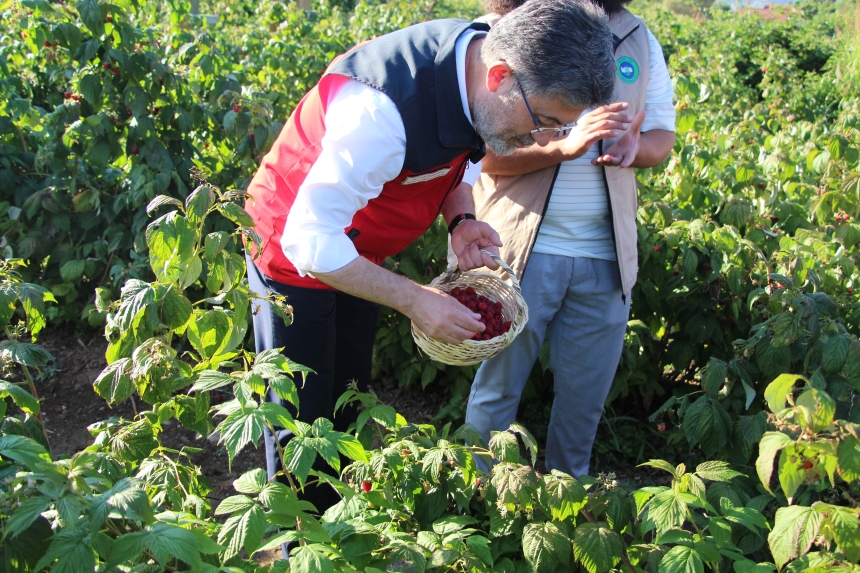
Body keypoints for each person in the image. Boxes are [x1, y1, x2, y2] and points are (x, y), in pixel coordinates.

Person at [244, 0, 617, 514]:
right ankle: (297, 541)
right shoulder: (381, 112)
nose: (543, 142)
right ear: (500, 76)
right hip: (292, 245)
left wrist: (461, 219)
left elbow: (462, 157)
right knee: (301, 419)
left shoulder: (483, 64)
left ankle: (338, 523)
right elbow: (310, 241)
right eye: (546, 122)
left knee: (348, 399)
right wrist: (415, 300)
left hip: (357, 250)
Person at [462, 0, 676, 478]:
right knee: (497, 386)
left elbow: (662, 135)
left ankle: (563, 502)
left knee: (584, 400)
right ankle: (475, 498)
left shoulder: (638, 39)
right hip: (519, 247)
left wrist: (634, 148)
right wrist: (566, 148)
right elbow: (478, 154)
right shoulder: (514, 29)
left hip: (605, 255)